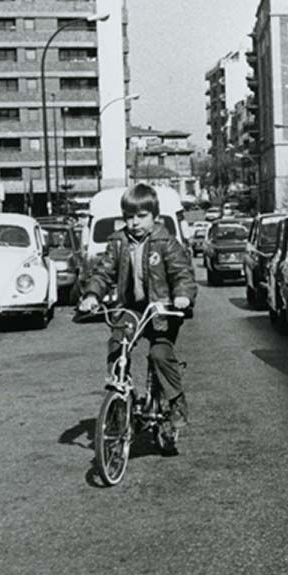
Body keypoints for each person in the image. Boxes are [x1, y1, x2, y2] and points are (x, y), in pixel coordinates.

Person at [78, 184, 197, 446]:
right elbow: (103, 272)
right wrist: (92, 295)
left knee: (160, 354)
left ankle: (175, 402)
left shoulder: (166, 242)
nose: (134, 223)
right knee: (117, 345)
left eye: (141, 216)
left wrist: (183, 296)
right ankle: (119, 397)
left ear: (154, 216)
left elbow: (182, 274)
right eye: (129, 217)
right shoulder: (117, 241)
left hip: (162, 309)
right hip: (130, 308)